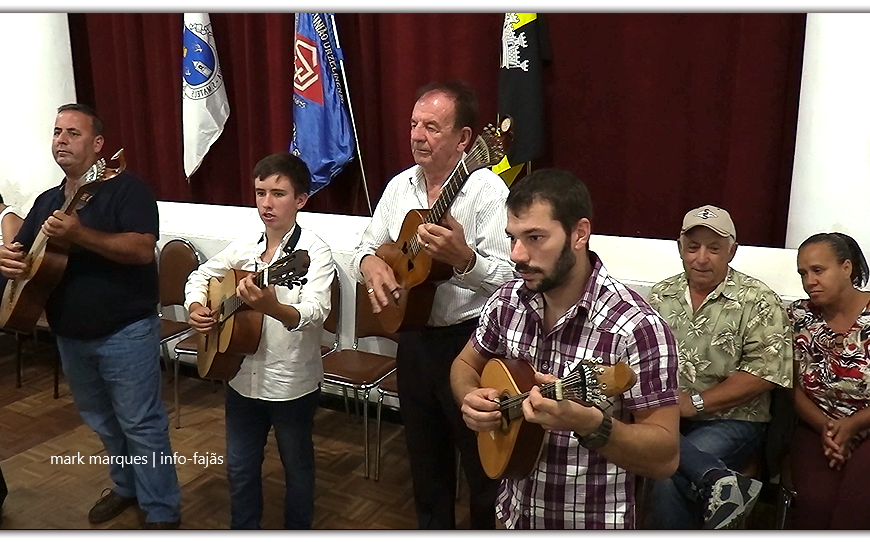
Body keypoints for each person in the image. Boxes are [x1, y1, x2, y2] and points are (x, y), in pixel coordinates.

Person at [450, 168, 681, 529]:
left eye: (535, 237)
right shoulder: (505, 302)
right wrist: (470, 397)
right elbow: (465, 363)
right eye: (513, 238)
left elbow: (665, 457)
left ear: (580, 233)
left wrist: (591, 424)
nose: (517, 254)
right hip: (511, 515)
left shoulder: (637, 328)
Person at [0, 103, 181, 528]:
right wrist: (8, 261)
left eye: (73, 133)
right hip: (70, 333)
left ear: (98, 145)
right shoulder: (47, 201)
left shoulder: (126, 190)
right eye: (57, 132)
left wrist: (80, 233)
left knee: (141, 424)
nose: (61, 140)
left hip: (126, 330)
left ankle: (161, 513)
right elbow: (21, 254)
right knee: (101, 420)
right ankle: (127, 486)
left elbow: (140, 250)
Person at [349, 80, 513, 529]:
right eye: (414, 124)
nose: (417, 135)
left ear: (465, 140)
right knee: (425, 464)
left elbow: (513, 281)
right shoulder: (400, 186)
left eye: (432, 127)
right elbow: (367, 243)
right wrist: (370, 265)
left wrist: (465, 260)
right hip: (415, 341)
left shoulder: (487, 192)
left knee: (481, 467)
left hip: (471, 344)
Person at [184, 152, 333, 529]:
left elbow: (316, 312)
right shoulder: (247, 244)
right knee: (239, 467)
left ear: (301, 200)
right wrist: (197, 305)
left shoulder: (313, 252)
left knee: (297, 468)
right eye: (260, 192)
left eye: (278, 194)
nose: (267, 203)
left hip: (290, 384)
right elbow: (200, 275)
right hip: (240, 376)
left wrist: (273, 308)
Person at [646, 204, 793, 529]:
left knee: (668, 474)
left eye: (714, 248)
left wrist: (696, 402)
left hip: (734, 420)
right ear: (680, 248)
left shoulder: (758, 300)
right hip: (665, 415)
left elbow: (765, 372)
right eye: (693, 247)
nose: (701, 258)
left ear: (732, 251)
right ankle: (716, 481)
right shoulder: (660, 295)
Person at [786, 232, 870, 529]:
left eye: (818, 270)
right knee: (816, 506)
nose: (810, 281)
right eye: (803, 273)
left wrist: (853, 425)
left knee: (856, 505)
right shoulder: (798, 315)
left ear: (846, 268)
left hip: (868, 425)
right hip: (817, 427)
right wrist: (827, 428)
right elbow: (790, 385)